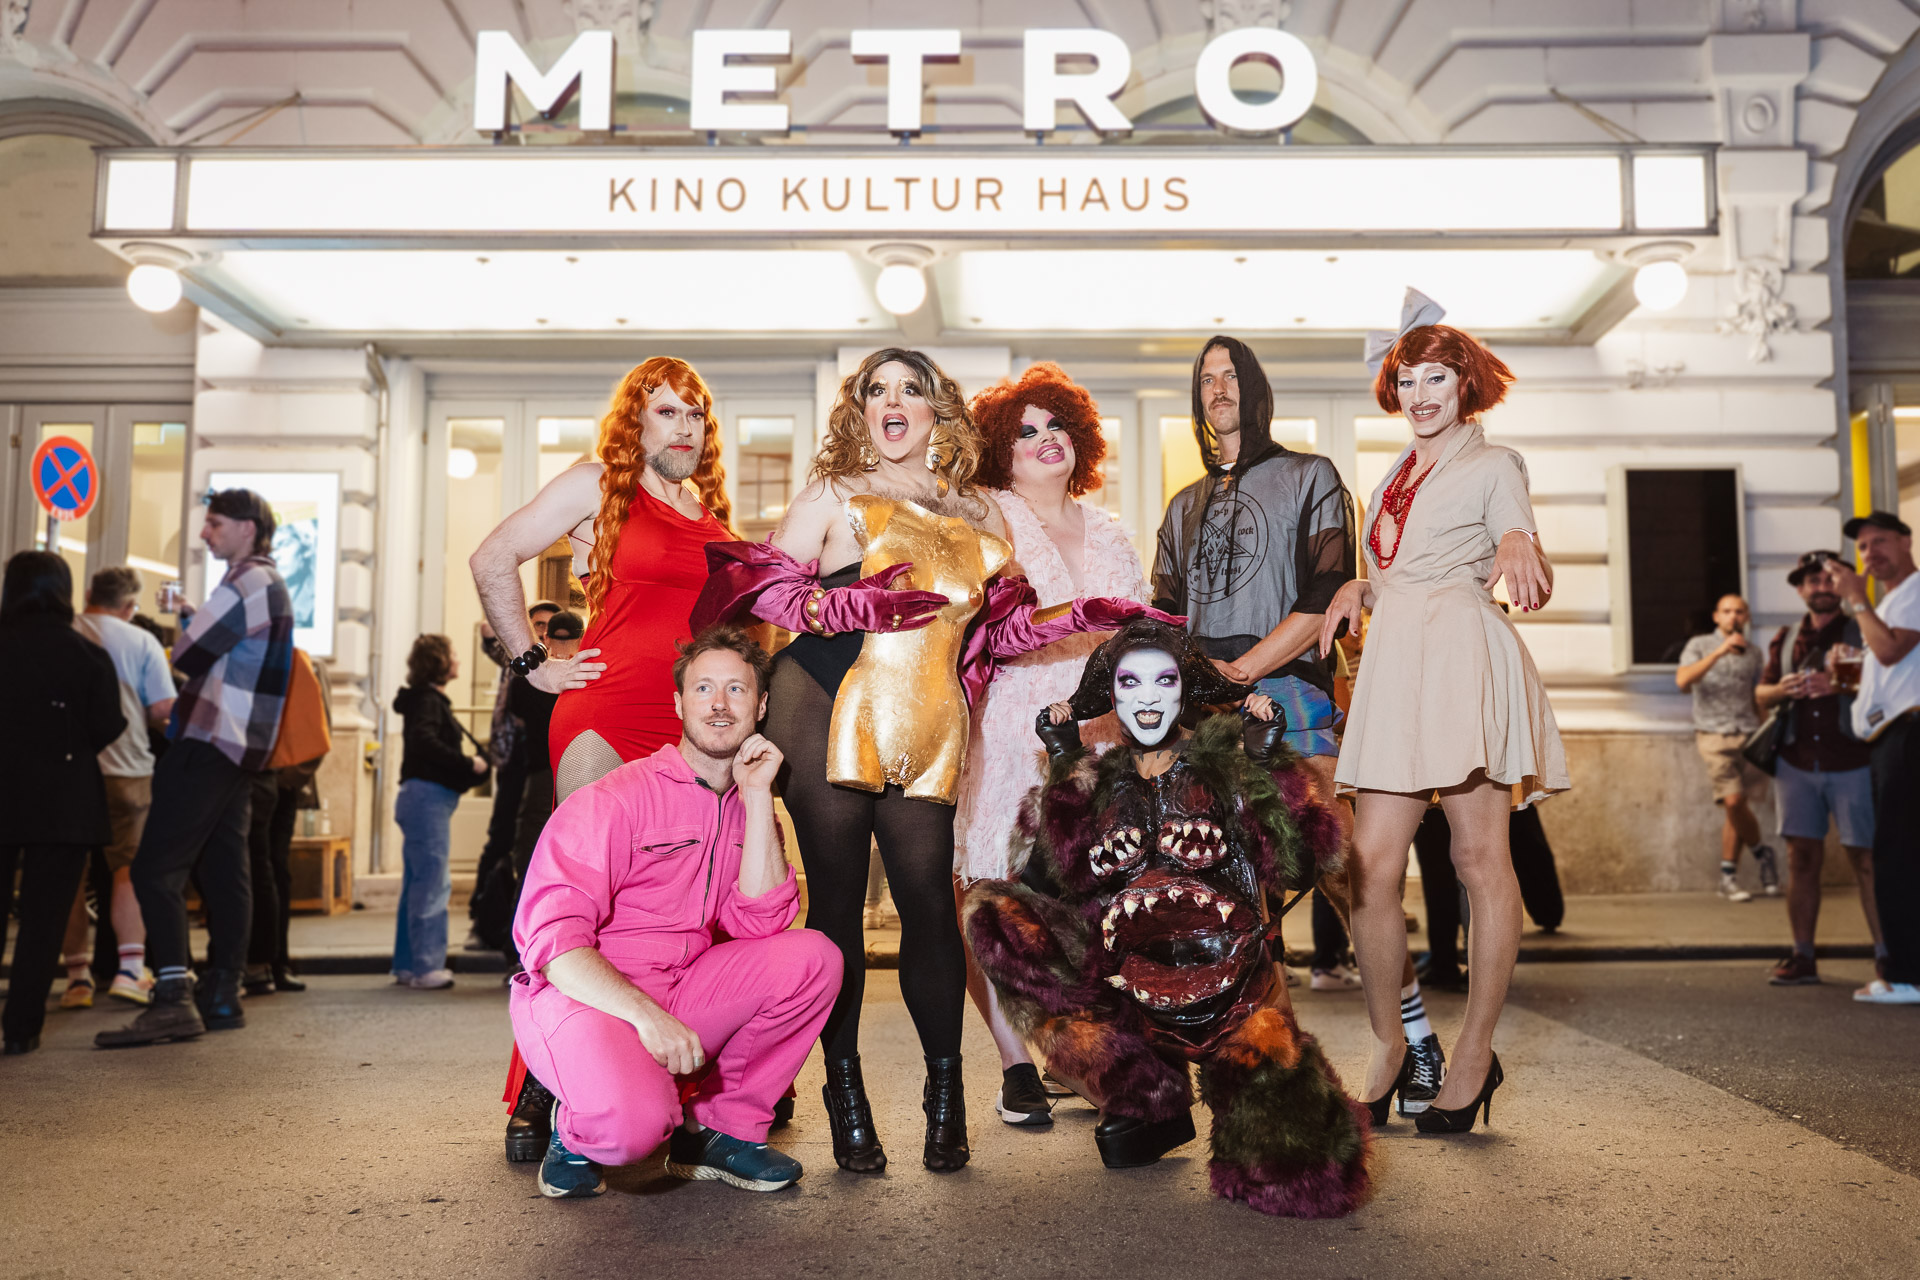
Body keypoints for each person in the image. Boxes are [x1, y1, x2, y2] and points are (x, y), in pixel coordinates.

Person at [691, 346, 1170, 1174]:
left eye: (910, 387)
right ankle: (846, 1099)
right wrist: (840, 604)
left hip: (925, 713)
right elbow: (759, 589)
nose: (893, 400)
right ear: (862, 411)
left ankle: (945, 1098)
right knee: (837, 909)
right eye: (876, 389)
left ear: (934, 408)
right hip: (821, 700)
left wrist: (1076, 616)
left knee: (926, 905)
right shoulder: (832, 494)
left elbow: (1001, 631)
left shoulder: (975, 508)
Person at [963, 619, 1369, 1216]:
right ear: (1110, 695)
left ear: (1186, 689)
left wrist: (1267, 765)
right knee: (992, 914)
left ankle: (1235, 1087)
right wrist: (1066, 767)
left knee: (1304, 1181)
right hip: (1136, 1006)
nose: (1147, 697)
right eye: (1129, 682)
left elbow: (1308, 859)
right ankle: (1147, 1086)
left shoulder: (1224, 763)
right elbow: (1050, 885)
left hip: (1236, 1011)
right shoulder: (1097, 781)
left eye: (1164, 680)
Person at [1320, 293, 1568, 1134]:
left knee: (1477, 858)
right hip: (1397, 666)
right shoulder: (1392, 472)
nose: (1421, 393)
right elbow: (1400, 567)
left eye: (1437, 377)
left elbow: (1517, 541)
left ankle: (1473, 1054)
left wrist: (1518, 542)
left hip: (1462, 659)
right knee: (1370, 868)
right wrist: (1360, 587)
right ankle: (1391, 1043)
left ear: (1466, 385)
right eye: (1407, 379)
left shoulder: (1495, 464)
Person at [511, 627, 841, 1199]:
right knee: (632, 1132)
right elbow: (553, 943)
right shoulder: (614, 798)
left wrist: (757, 795)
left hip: (683, 986)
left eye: (737, 689)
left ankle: (718, 1130)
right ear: (679, 704)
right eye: (704, 688)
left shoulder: (748, 803)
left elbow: (762, 925)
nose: (720, 704)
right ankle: (578, 1127)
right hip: (587, 998)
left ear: (761, 706)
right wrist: (645, 1016)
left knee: (814, 958)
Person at [952, 361, 1148, 1128]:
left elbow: (1136, 640)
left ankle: (1073, 1050)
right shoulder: (990, 518)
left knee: (1087, 903)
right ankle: (1014, 1063)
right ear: (1002, 453)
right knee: (996, 899)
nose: (1044, 439)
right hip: (1012, 725)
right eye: (1025, 431)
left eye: (1055, 424)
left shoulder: (1109, 529)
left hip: (1098, 731)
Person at [469, 356, 733, 802]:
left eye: (695, 415)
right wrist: (533, 665)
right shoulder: (598, 486)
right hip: (609, 717)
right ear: (635, 420)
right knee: (590, 847)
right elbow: (491, 559)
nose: (684, 428)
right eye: (666, 412)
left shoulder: (713, 520)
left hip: (697, 726)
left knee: (693, 850)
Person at [98, 488, 294, 1048]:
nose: (205, 533)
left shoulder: (247, 580)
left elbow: (187, 654)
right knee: (225, 870)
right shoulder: (267, 582)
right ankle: (223, 993)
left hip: (212, 739)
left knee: (153, 870)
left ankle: (171, 998)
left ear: (247, 528)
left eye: (215, 523)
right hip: (237, 749)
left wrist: (189, 621)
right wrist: (197, 614)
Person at [0, 552, 126, 1054]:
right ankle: (22, 1028)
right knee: (44, 918)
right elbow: (108, 724)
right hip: (64, 798)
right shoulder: (86, 654)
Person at [1755, 552, 1880, 984]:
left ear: (1840, 586)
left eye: (1829, 580)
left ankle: (1889, 957)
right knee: (1801, 859)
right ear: (1800, 589)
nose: (1822, 588)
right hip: (1796, 763)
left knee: (1867, 859)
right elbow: (1761, 694)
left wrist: (1839, 683)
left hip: (1854, 760)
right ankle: (1802, 956)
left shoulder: (1863, 629)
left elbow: (1890, 681)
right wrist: (1781, 689)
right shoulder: (1786, 637)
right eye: (1813, 581)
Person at [57, 567, 175, 1010]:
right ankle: (129, 969)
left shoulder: (66, 632)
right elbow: (162, 708)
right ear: (130, 606)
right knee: (128, 869)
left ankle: (77, 977)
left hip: (70, 771)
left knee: (69, 872)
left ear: (89, 593)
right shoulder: (141, 641)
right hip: (128, 769)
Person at [1830, 513, 1920, 1005]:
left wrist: (1857, 600)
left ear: (1906, 541)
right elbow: (1886, 666)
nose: (1870, 554)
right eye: (1863, 547)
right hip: (1890, 735)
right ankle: (1903, 971)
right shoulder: (1891, 600)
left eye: (1880, 541)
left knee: (1897, 856)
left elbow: (1890, 651)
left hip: (1907, 734)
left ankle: (1906, 976)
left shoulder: (1915, 591)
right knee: (1898, 854)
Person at [390, 634, 489, 990]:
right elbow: (425, 742)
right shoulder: (429, 701)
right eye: (453, 654)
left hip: (419, 797)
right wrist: (469, 764)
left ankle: (408, 965)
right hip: (427, 797)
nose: (458, 660)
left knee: (417, 884)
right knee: (432, 882)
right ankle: (427, 967)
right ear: (439, 661)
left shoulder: (423, 699)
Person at [467, 601, 559, 955]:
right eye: (538, 624)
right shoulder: (516, 659)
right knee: (501, 838)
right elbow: (487, 631)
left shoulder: (562, 667)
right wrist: (515, 624)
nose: (543, 633)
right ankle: (482, 921)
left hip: (544, 768)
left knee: (533, 844)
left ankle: (520, 930)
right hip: (514, 764)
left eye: (549, 626)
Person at [1676, 593, 1778, 903]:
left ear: (1747, 617)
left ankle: (1728, 877)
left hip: (1749, 735)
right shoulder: (1699, 645)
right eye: (1727, 611)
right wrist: (1719, 652)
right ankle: (1761, 853)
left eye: (1739, 611)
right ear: (1716, 616)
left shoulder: (1754, 653)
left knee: (1738, 807)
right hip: (1714, 736)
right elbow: (1683, 681)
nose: (1733, 617)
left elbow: (1758, 697)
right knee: (1733, 801)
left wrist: (1768, 734)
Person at [243, 646, 333, 995]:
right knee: (255, 869)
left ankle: (273, 961)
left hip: (279, 780)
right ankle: (256, 961)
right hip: (255, 776)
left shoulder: (300, 660)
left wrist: (287, 777)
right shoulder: (248, 657)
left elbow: (319, 729)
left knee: (272, 869)